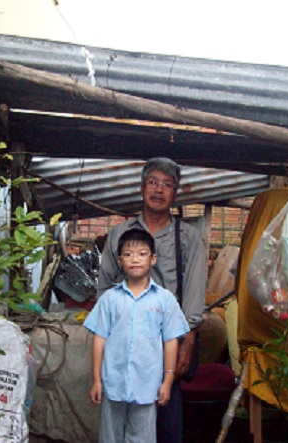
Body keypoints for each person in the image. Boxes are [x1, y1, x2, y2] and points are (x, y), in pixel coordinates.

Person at [98, 157, 207, 443]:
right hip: (124, 340)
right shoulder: (119, 235)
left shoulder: (188, 237)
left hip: (166, 342)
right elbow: (104, 289)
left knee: (165, 412)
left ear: (175, 193)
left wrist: (188, 341)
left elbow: (195, 290)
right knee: (119, 416)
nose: (159, 190)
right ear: (142, 188)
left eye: (167, 185)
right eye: (153, 183)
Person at [84, 228, 190, 443]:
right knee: (109, 437)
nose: (135, 260)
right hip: (113, 383)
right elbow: (99, 339)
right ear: (120, 260)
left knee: (142, 437)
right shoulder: (109, 299)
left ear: (153, 259)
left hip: (147, 384)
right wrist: (96, 380)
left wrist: (167, 381)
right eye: (128, 254)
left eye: (142, 254)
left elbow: (170, 341)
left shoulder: (165, 300)